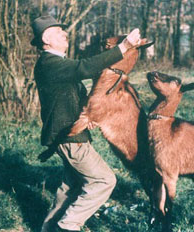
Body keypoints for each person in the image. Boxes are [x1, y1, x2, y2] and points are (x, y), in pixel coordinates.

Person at [31, 15, 141, 232]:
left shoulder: (56, 64)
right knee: (104, 180)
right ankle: (68, 225)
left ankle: (50, 228)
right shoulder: (50, 64)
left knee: (71, 187)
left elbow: (71, 95)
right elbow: (85, 67)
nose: (65, 34)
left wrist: (88, 115)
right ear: (46, 38)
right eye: (58, 32)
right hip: (70, 137)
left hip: (68, 133)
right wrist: (124, 47)